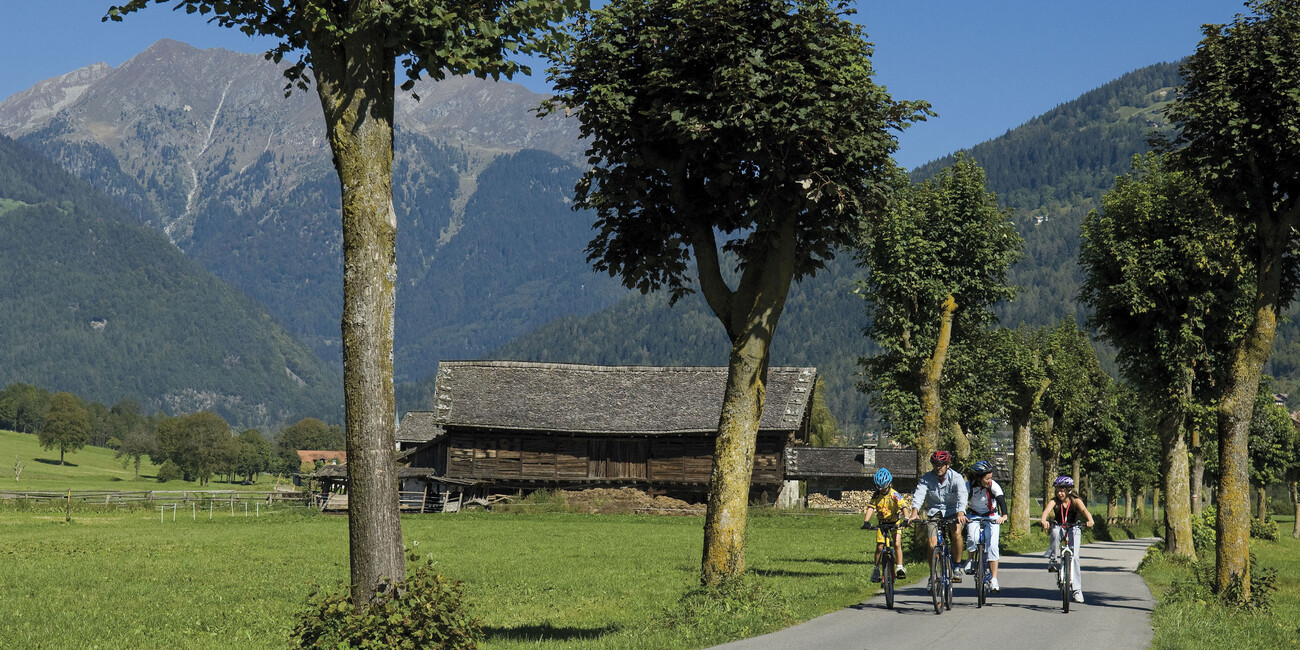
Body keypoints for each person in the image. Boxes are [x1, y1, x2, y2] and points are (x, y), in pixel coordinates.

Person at [909, 450, 969, 583]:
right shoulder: (927, 478)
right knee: (931, 544)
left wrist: (961, 511)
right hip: (934, 511)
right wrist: (914, 512)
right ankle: (933, 574)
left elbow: (962, 495)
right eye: (935, 464)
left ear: (947, 465)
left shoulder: (956, 478)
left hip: (953, 510)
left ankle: (957, 566)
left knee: (956, 532)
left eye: (941, 465)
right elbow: (919, 494)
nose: (938, 467)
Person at [1039, 475, 1095, 603]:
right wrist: (1044, 520)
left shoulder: (1076, 501)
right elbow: (1046, 511)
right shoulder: (1054, 501)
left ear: (1068, 490)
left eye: (1062, 490)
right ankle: (1053, 561)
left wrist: (1090, 520)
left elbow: (1085, 510)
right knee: (1054, 532)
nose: (1060, 493)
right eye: (1058, 490)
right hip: (1059, 526)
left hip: (1073, 527)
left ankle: (1077, 591)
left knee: (1075, 557)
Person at [962, 460, 1008, 593]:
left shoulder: (993, 485)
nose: (989, 481)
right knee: (972, 538)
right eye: (987, 478)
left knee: (993, 546)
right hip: (974, 516)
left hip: (992, 516)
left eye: (990, 478)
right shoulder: (968, 486)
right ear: (978, 477)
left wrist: (1003, 516)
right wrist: (962, 514)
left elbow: (1001, 500)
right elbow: (962, 501)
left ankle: (994, 579)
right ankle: (970, 560)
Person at [861, 467, 913, 582]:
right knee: (880, 546)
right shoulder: (876, 495)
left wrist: (906, 519)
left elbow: (904, 507)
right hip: (882, 523)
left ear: (889, 484)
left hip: (895, 522)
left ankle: (899, 567)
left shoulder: (895, 494)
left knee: (897, 543)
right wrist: (866, 521)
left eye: (883, 488)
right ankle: (876, 569)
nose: (882, 491)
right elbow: (870, 508)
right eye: (879, 488)